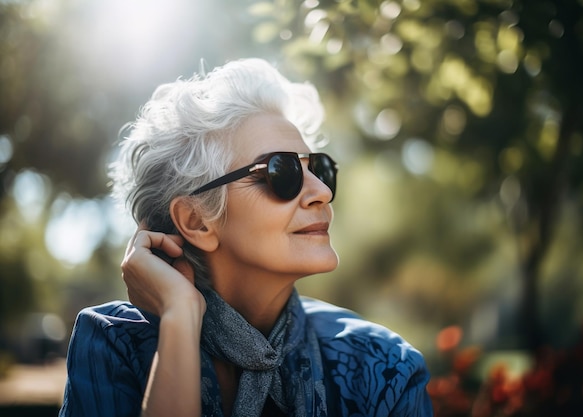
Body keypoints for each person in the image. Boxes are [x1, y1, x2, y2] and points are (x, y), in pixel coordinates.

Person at [58, 58, 433, 417]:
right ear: (197, 220)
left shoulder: (384, 368)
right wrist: (179, 317)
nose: (322, 191)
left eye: (319, 168)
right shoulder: (113, 344)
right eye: (281, 170)